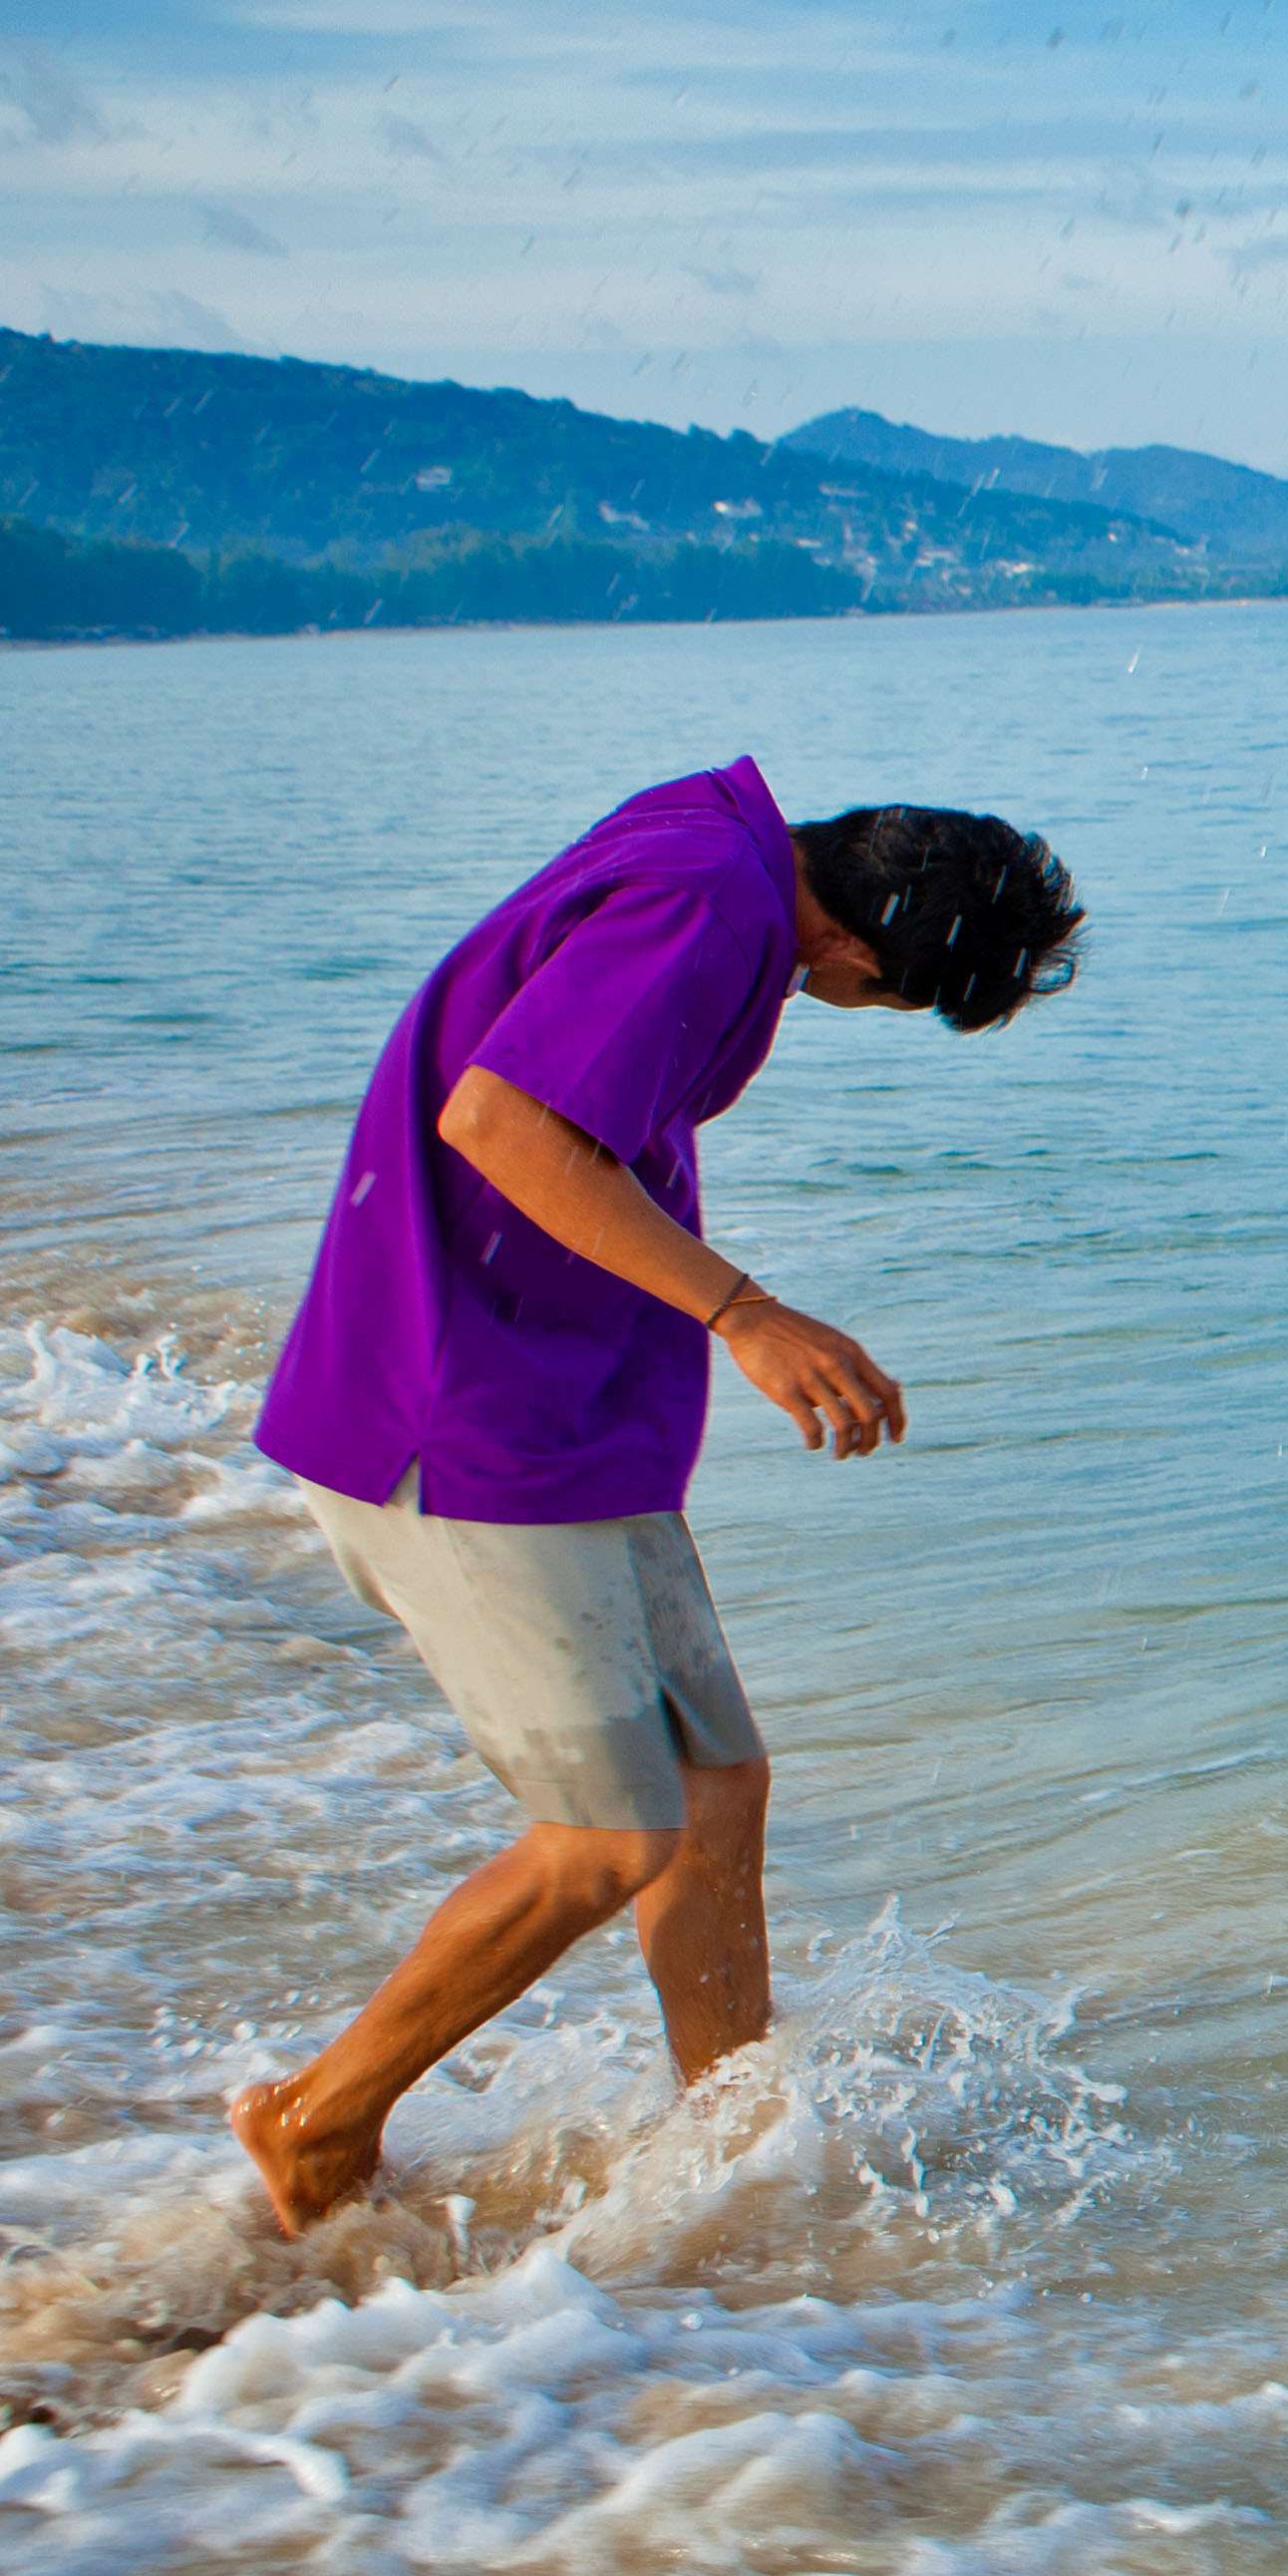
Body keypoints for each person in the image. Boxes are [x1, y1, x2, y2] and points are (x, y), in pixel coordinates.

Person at [224, 756, 1082, 2234]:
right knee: (607, 1839)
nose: (861, 1018)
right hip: (460, 1420)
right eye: (894, 1003)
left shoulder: (716, 847)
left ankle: (731, 2156)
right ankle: (318, 2119)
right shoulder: (706, 902)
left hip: (564, 1410)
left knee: (713, 1790)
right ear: (861, 953)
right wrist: (748, 1313)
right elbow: (499, 1122)